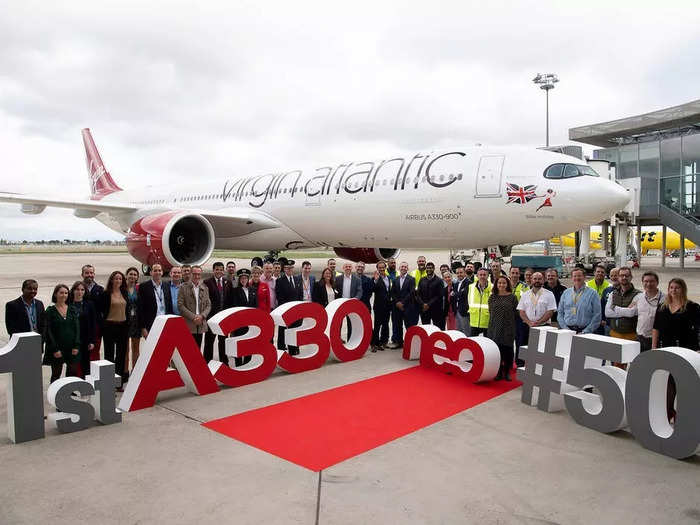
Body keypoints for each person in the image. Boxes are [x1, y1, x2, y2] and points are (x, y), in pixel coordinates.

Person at [652, 278, 700, 422]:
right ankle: (668, 412)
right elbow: (656, 328)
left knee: (684, 384)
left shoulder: (692, 307)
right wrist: (654, 347)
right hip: (667, 349)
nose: (673, 290)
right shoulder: (662, 307)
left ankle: (684, 415)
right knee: (668, 383)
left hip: (687, 350)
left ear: (683, 289)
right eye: (671, 287)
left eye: (677, 288)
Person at [43, 284, 81, 383]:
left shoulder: (72, 309)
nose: (64, 295)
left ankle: (70, 393)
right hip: (57, 348)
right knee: (56, 373)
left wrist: (76, 346)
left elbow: (77, 328)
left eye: (66, 293)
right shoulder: (50, 311)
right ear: (55, 294)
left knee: (72, 372)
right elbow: (48, 331)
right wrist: (55, 349)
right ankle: (54, 395)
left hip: (71, 347)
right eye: (61, 293)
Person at [99, 271, 129, 385]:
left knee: (121, 355)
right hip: (110, 326)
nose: (118, 281)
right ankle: (109, 382)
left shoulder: (124, 292)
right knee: (109, 355)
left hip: (122, 326)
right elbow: (101, 311)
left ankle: (118, 381)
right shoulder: (106, 293)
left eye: (120, 279)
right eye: (116, 278)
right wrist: (104, 325)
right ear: (111, 280)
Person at [487, 276, 518, 380]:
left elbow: (515, 313)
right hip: (495, 327)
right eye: (499, 283)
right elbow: (491, 312)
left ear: (507, 284)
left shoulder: (512, 297)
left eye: (504, 283)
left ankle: (507, 371)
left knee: (508, 350)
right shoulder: (492, 297)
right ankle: (499, 371)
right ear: (496, 284)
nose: (501, 285)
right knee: (497, 350)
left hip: (508, 327)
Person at [204, 262, 233, 366]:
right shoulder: (207, 282)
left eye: (221, 269)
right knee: (209, 341)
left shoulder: (227, 282)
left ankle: (224, 362)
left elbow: (229, 300)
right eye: (217, 269)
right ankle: (207, 362)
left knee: (223, 341)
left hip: (223, 318)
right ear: (213, 270)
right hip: (211, 318)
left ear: (223, 270)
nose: (219, 271)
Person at [557, 267, 601, 334]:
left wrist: (586, 331)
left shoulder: (593, 293)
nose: (577, 278)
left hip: (585, 331)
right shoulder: (566, 293)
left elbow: (597, 315)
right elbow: (560, 312)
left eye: (579, 276)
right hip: (567, 330)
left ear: (584, 277)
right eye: (574, 276)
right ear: (571, 278)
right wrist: (565, 329)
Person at [177, 265, 211, 350]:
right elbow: (180, 305)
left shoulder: (205, 288)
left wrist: (202, 316)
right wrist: (194, 317)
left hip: (200, 323)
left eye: (198, 274)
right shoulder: (183, 287)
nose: (196, 276)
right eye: (194, 274)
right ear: (191, 274)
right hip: (189, 323)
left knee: (198, 349)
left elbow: (208, 305)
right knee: (188, 350)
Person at [68, 281, 97, 379]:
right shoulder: (68, 304)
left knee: (85, 365)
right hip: (71, 340)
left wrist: (92, 341)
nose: (79, 292)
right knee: (71, 366)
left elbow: (93, 324)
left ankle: (85, 385)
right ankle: (71, 387)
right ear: (73, 291)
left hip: (85, 339)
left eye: (82, 290)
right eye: (77, 289)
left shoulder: (90, 305)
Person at [605, 267, 641, 342]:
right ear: (618, 277)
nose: (624, 277)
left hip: (631, 336)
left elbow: (632, 312)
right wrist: (626, 311)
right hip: (613, 334)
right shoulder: (613, 294)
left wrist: (614, 308)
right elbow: (607, 313)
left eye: (626, 275)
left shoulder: (639, 295)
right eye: (621, 275)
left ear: (631, 277)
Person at [137, 263, 173, 339]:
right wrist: (143, 328)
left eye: (159, 270)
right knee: (152, 349)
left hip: (164, 322)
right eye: (155, 270)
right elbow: (140, 309)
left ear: (162, 272)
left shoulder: (166, 285)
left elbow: (169, 306)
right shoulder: (144, 287)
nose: (158, 272)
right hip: (151, 324)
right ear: (151, 273)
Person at [387, 262, 417, 348]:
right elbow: (393, 292)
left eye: (405, 267)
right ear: (399, 268)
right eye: (402, 267)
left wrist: (402, 303)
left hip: (407, 306)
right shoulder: (396, 279)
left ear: (407, 268)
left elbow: (411, 293)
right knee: (397, 325)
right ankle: (399, 342)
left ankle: (410, 343)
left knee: (408, 326)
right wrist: (397, 302)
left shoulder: (411, 279)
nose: (403, 268)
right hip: (397, 307)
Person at [517, 272, 557, 338]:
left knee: (542, 347)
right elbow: (521, 311)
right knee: (526, 347)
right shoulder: (525, 294)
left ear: (543, 280)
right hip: (527, 326)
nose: (537, 281)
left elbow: (550, 311)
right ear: (531, 280)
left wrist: (538, 323)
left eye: (539, 279)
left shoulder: (549, 294)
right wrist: (529, 322)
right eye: (535, 279)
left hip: (544, 326)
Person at [230, 269, 257, 366]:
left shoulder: (253, 289)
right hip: (239, 323)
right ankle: (239, 364)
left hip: (250, 322)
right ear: (239, 279)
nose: (243, 280)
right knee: (239, 343)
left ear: (248, 279)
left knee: (248, 343)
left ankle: (247, 363)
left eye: (245, 278)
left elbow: (255, 306)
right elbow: (235, 306)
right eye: (242, 278)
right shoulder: (235, 291)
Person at [276, 260, 301, 355]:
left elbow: (299, 295)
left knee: (294, 331)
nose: (290, 269)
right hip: (285, 311)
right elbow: (280, 297)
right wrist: (287, 310)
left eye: (291, 268)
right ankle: (281, 350)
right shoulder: (280, 281)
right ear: (284, 269)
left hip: (296, 311)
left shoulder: (297, 279)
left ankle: (294, 349)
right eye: (287, 268)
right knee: (283, 331)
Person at [82, 264, 104, 360]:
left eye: (91, 273)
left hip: (96, 325)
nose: (89, 275)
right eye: (87, 273)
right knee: (83, 351)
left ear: (94, 274)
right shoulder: (78, 289)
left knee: (95, 350)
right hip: (82, 325)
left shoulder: (100, 290)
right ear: (82, 274)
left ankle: (95, 372)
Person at [417, 262, 446, 329]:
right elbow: (418, 294)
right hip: (424, 309)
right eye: (427, 268)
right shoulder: (422, 280)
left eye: (430, 268)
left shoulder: (439, 281)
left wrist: (428, 304)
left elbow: (439, 295)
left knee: (437, 328)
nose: (429, 269)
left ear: (434, 269)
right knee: (426, 329)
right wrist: (423, 304)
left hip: (435, 309)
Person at [371, 261, 392, 351]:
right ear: (377, 269)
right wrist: (375, 280)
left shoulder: (388, 278)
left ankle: (383, 342)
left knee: (385, 325)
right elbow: (373, 290)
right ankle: (374, 344)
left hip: (387, 306)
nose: (382, 269)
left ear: (385, 267)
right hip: (379, 306)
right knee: (377, 325)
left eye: (383, 267)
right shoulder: (375, 278)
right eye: (380, 268)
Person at [125, 267, 141, 379]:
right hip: (125, 321)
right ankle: (125, 372)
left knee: (136, 347)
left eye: (135, 275)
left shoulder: (139, 289)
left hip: (136, 321)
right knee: (125, 348)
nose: (132, 277)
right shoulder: (122, 289)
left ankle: (135, 371)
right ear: (126, 276)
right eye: (130, 274)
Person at [468, 268, 492, 336]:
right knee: (473, 344)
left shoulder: (493, 288)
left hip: (487, 321)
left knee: (487, 343)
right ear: (477, 276)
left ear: (488, 276)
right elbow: (469, 301)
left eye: (484, 275)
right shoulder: (471, 287)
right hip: (474, 321)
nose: (482, 276)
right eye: (480, 275)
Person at [599, 267, 620, 335]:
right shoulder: (606, 290)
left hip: (619, 325)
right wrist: (602, 319)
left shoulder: (624, 290)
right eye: (612, 275)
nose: (614, 277)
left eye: (616, 275)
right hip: (607, 325)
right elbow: (602, 305)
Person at [452, 266, 470, 335]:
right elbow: (456, 295)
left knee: (466, 332)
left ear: (465, 273)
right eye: (457, 273)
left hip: (464, 311)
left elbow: (464, 294)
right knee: (459, 332)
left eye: (461, 272)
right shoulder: (456, 284)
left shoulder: (468, 283)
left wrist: (455, 294)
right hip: (457, 311)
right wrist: (457, 294)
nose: (459, 274)